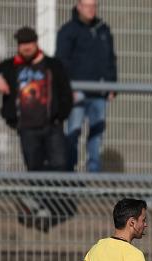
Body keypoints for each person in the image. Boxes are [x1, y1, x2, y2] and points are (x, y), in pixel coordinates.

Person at [0, 27, 72, 172]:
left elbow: (66, 92)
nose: (26, 47)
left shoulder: (53, 65)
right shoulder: (12, 65)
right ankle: (39, 195)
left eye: (29, 43)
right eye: (22, 43)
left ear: (36, 43)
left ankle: (57, 194)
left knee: (60, 165)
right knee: (34, 168)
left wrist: (59, 117)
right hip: (27, 129)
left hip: (52, 126)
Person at [56, 0, 117, 172]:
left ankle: (93, 174)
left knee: (97, 134)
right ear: (79, 7)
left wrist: (112, 85)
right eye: (88, 6)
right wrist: (68, 89)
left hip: (99, 93)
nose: (92, 9)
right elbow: (62, 61)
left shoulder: (103, 30)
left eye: (94, 6)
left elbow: (111, 59)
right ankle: (69, 173)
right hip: (77, 92)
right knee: (73, 132)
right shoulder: (68, 31)